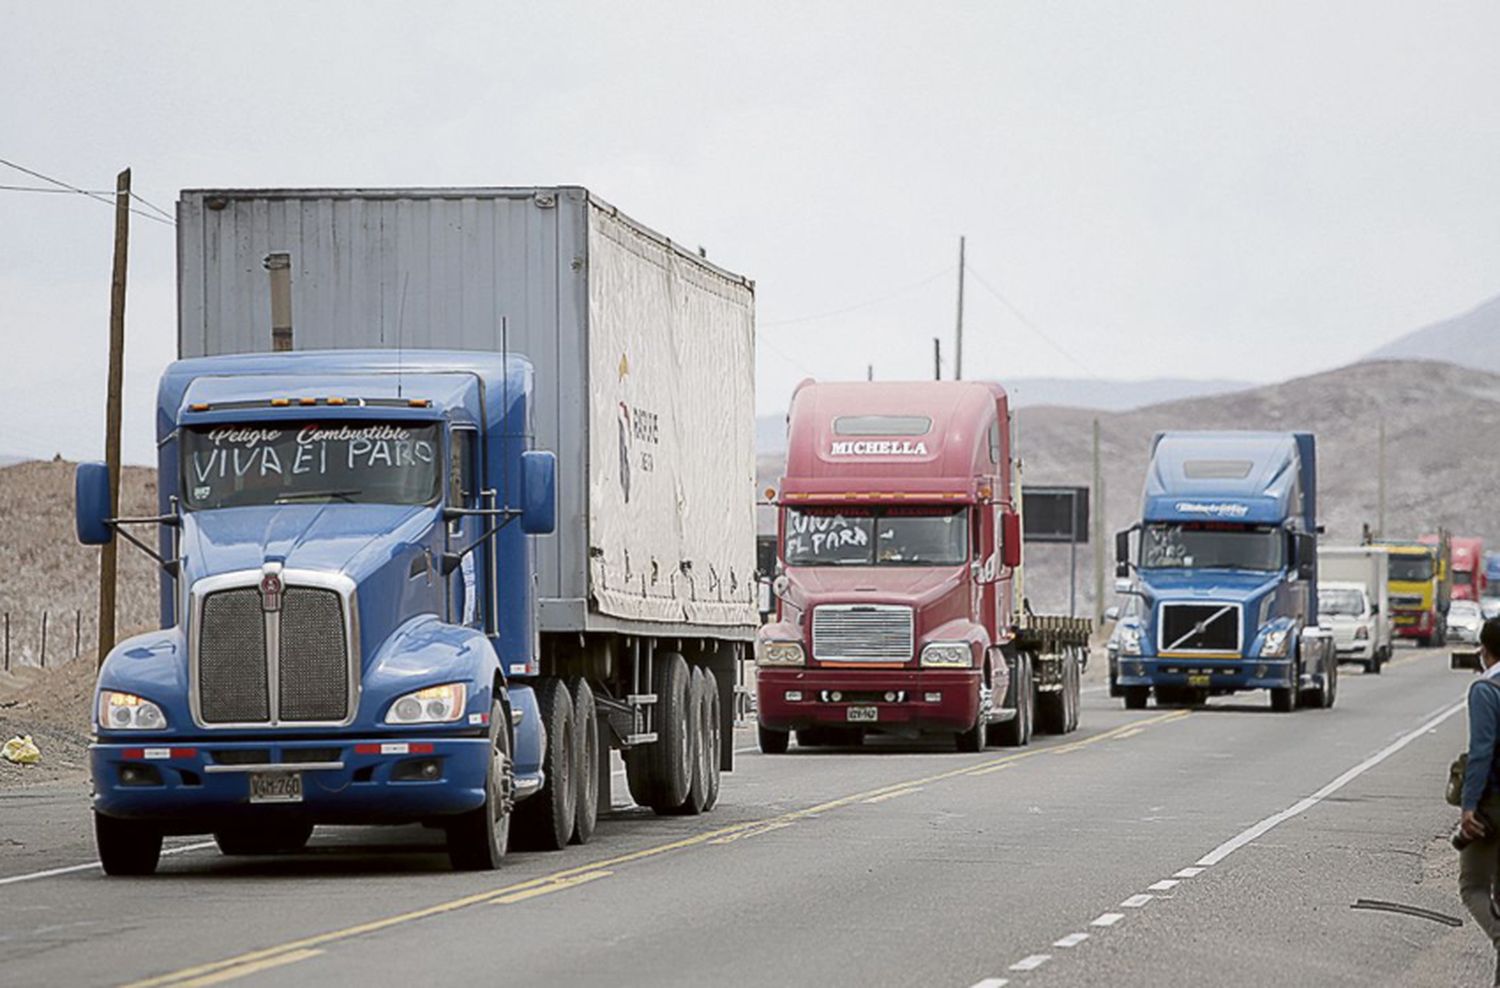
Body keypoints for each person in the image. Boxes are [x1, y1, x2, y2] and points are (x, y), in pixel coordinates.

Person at [1459, 618, 1500, 984]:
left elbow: (1481, 752)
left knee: (1472, 885)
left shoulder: (1486, 691)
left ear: (1485, 650)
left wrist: (1469, 805)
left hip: (1494, 806)